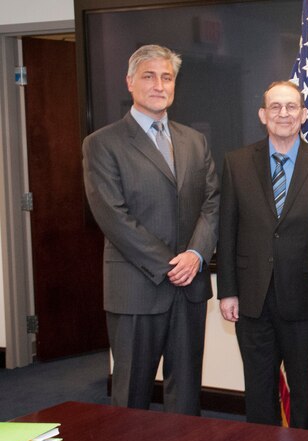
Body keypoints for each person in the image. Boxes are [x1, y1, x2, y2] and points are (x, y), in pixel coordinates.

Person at [83, 44, 219, 416]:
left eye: (167, 77)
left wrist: (194, 255)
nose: (159, 85)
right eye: (149, 76)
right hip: (136, 288)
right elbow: (112, 214)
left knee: (187, 393)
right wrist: (168, 264)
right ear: (129, 82)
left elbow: (212, 203)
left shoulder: (194, 141)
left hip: (189, 287)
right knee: (131, 396)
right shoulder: (102, 144)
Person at [217, 80, 308, 430]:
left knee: (304, 391)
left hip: (305, 299)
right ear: (263, 115)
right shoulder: (236, 163)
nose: (283, 114)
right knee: (259, 392)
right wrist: (227, 290)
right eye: (275, 107)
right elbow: (226, 232)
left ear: (304, 115)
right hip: (251, 300)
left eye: (291, 107)